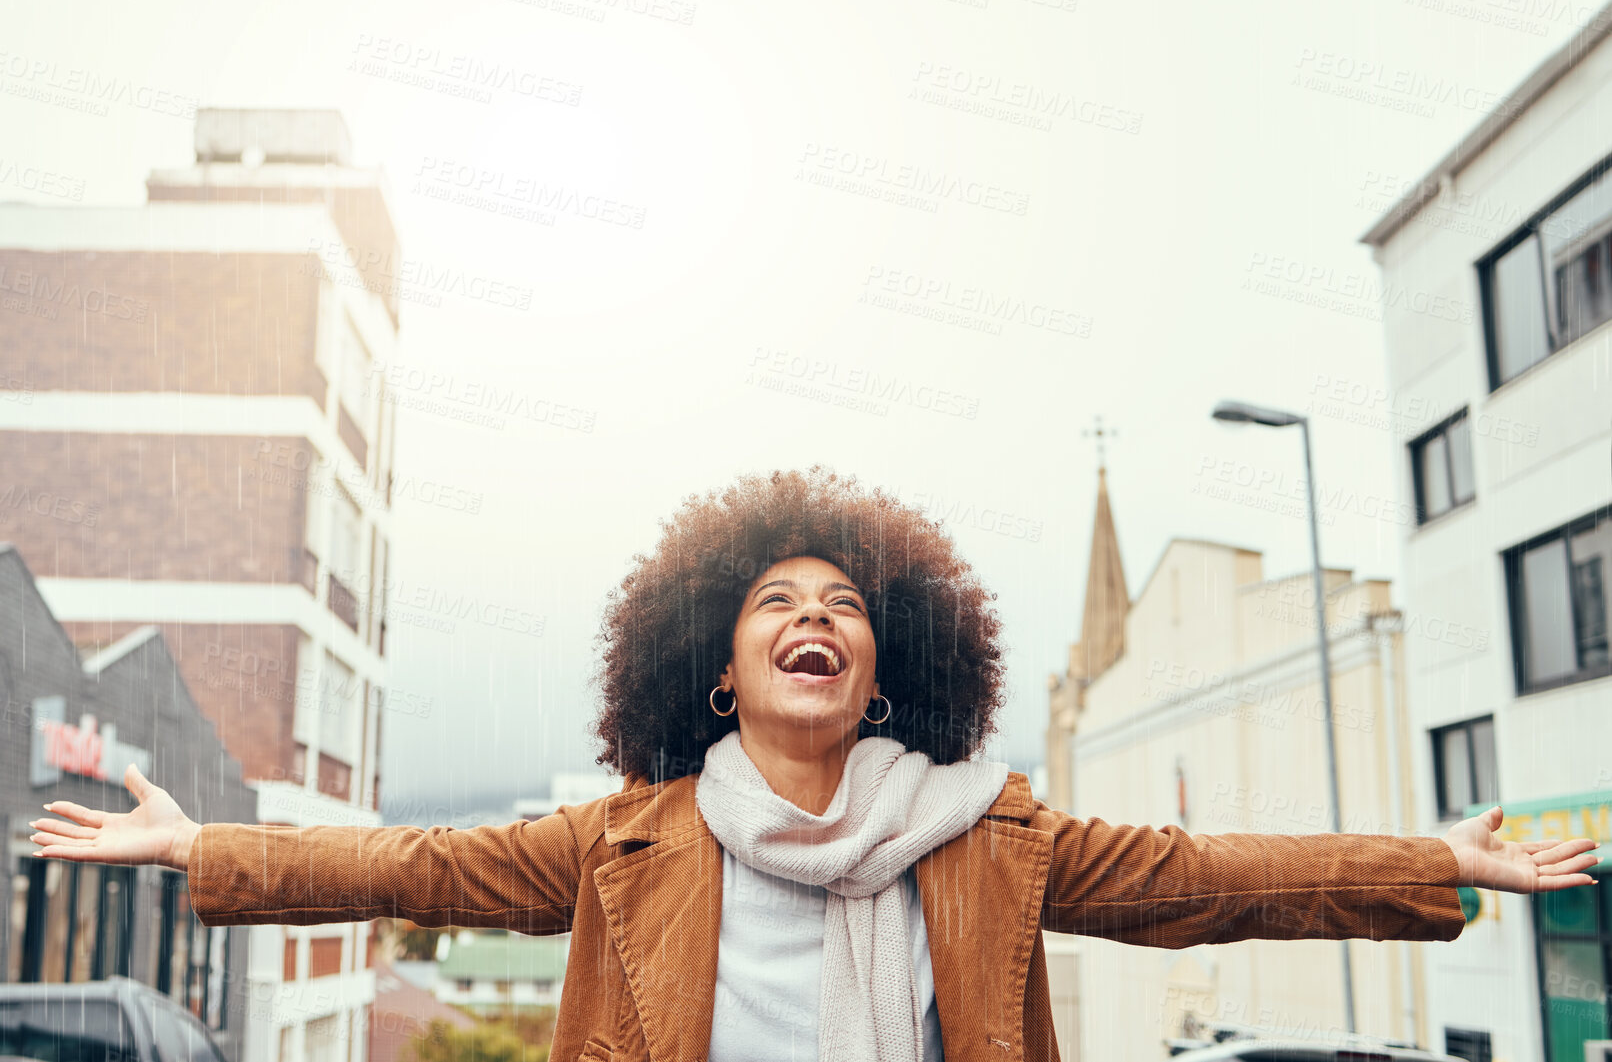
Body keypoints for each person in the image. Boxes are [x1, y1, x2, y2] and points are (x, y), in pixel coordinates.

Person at [29, 468, 1601, 1062]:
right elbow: (410, 867)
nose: (813, 615)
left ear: (878, 672)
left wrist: (1438, 863)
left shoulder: (985, 829)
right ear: (718, 671)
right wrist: (198, 847)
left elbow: (1208, 883)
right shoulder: (626, 841)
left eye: (842, 604)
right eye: (775, 600)